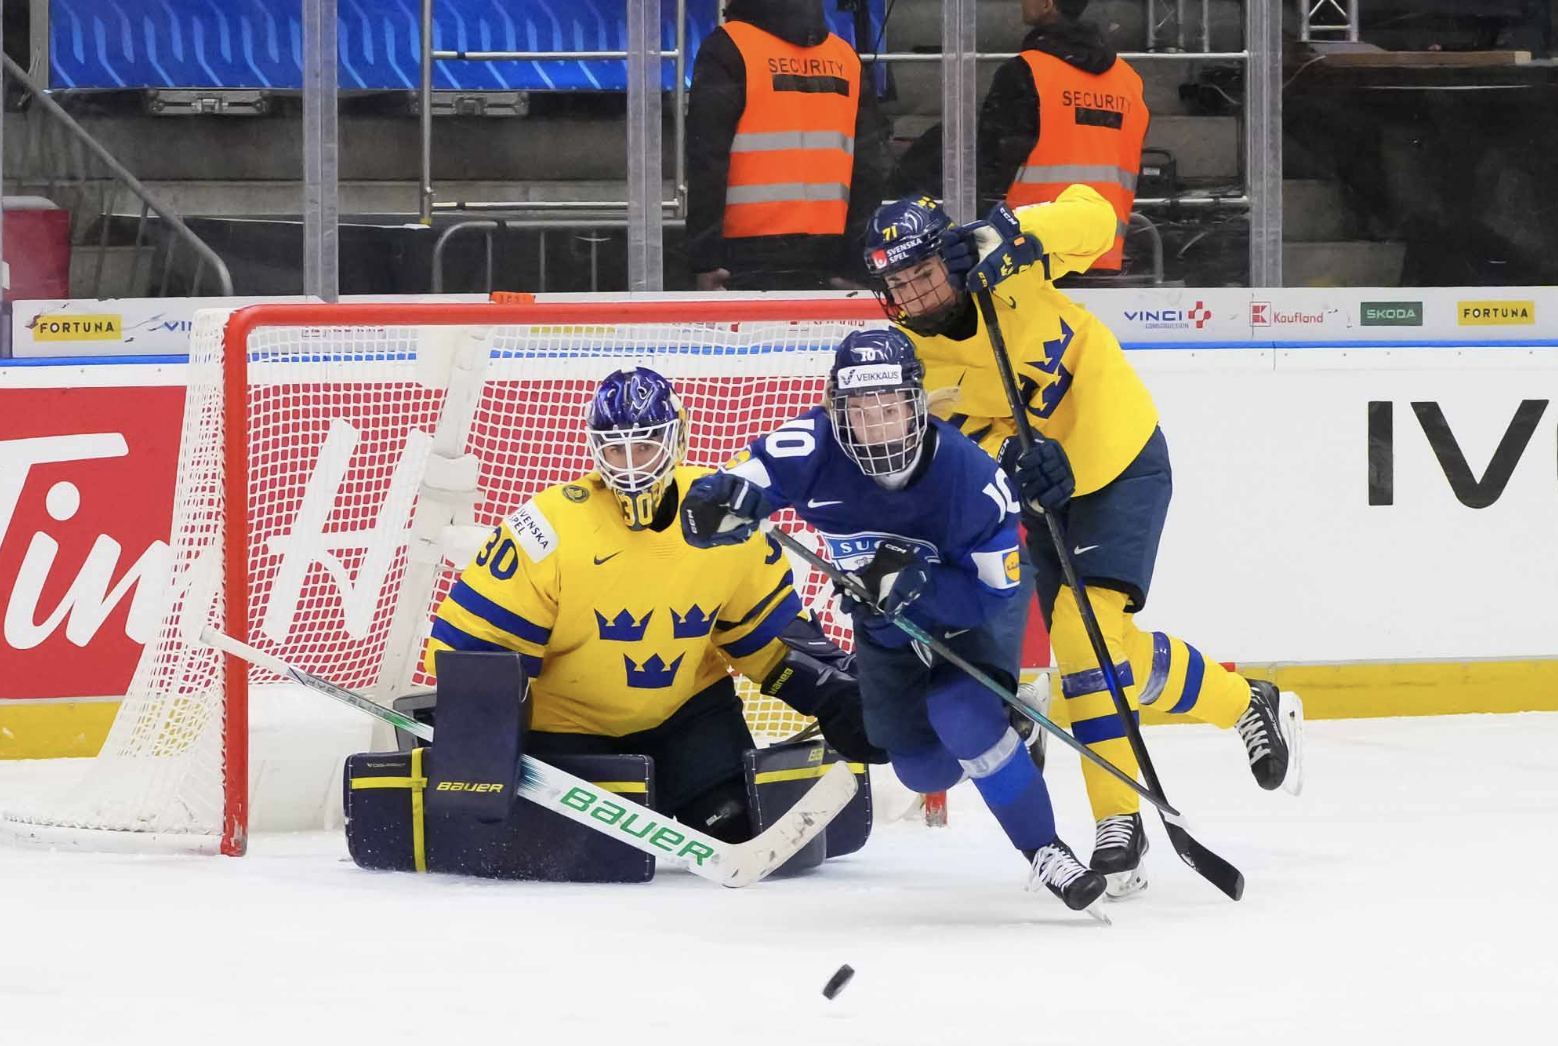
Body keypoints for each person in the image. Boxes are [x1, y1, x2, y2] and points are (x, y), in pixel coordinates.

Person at [857, 192, 1304, 898]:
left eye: (922, 274)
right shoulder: (914, 357)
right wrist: (1010, 455)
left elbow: (1098, 219)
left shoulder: (1003, 266)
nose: (913, 295)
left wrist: (1014, 231)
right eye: (898, 286)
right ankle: (1243, 700)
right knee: (1098, 646)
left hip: (1122, 456)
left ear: (947, 254)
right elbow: (950, 440)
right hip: (1046, 495)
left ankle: (1116, 824)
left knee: (1081, 629)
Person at [680, 328, 1108, 915]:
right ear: (838, 411)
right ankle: (1016, 729)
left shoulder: (972, 481)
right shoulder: (813, 445)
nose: (878, 425)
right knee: (918, 770)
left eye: (890, 408)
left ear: (916, 405)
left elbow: (995, 596)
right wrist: (715, 501)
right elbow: (748, 476)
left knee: (963, 718)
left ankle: (1045, 850)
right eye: (861, 410)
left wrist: (922, 586)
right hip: (882, 629)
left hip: (966, 619)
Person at [422, 367, 884, 845]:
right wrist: (476, 752)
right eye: (614, 449)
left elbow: (767, 636)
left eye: (643, 446)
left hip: (688, 718)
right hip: (568, 728)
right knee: (586, 855)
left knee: (740, 827)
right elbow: (477, 652)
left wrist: (835, 692)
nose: (630, 465)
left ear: (677, 438)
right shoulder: (548, 529)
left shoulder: (725, 518)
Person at [685, 0, 885, 291]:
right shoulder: (845, 57)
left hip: (743, 260)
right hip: (830, 256)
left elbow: (707, 161)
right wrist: (856, 260)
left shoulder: (728, 48)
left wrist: (704, 260)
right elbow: (868, 168)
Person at [976, 0, 1147, 272]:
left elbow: (988, 167)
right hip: (1103, 257)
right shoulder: (1129, 81)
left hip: (1028, 257)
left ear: (1047, 4)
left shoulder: (1023, 73)